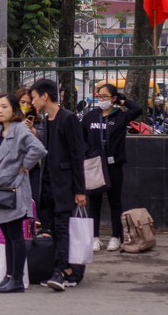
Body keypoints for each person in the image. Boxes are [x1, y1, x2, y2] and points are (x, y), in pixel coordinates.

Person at [0, 94, 47, 293]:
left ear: (14, 110)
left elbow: (38, 149)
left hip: (14, 190)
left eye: (4, 107)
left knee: (16, 235)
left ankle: (16, 279)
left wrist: (24, 166)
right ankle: (9, 276)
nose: (0, 110)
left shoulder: (20, 130)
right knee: (8, 235)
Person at [30, 78, 86, 292]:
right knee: (52, 228)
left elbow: (77, 155)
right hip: (47, 185)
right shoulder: (47, 120)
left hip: (65, 185)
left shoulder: (69, 119)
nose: (32, 102)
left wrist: (80, 189)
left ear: (45, 96)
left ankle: (61, 271)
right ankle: (66, 270)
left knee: (63, 228)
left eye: (34, 97)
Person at [81, 84, 141, 252]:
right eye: (99, 96)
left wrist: (123, 100)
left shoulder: (120, 116)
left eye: (105, 96)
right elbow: (81, 138)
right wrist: (88, 153)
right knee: (95, 202)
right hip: (94, 165)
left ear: (113, 99)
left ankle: (116, 236)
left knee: (115, 201)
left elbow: (138, 109)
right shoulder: (90, 117)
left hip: (114, 165)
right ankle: (94, 237)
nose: (101, 99)